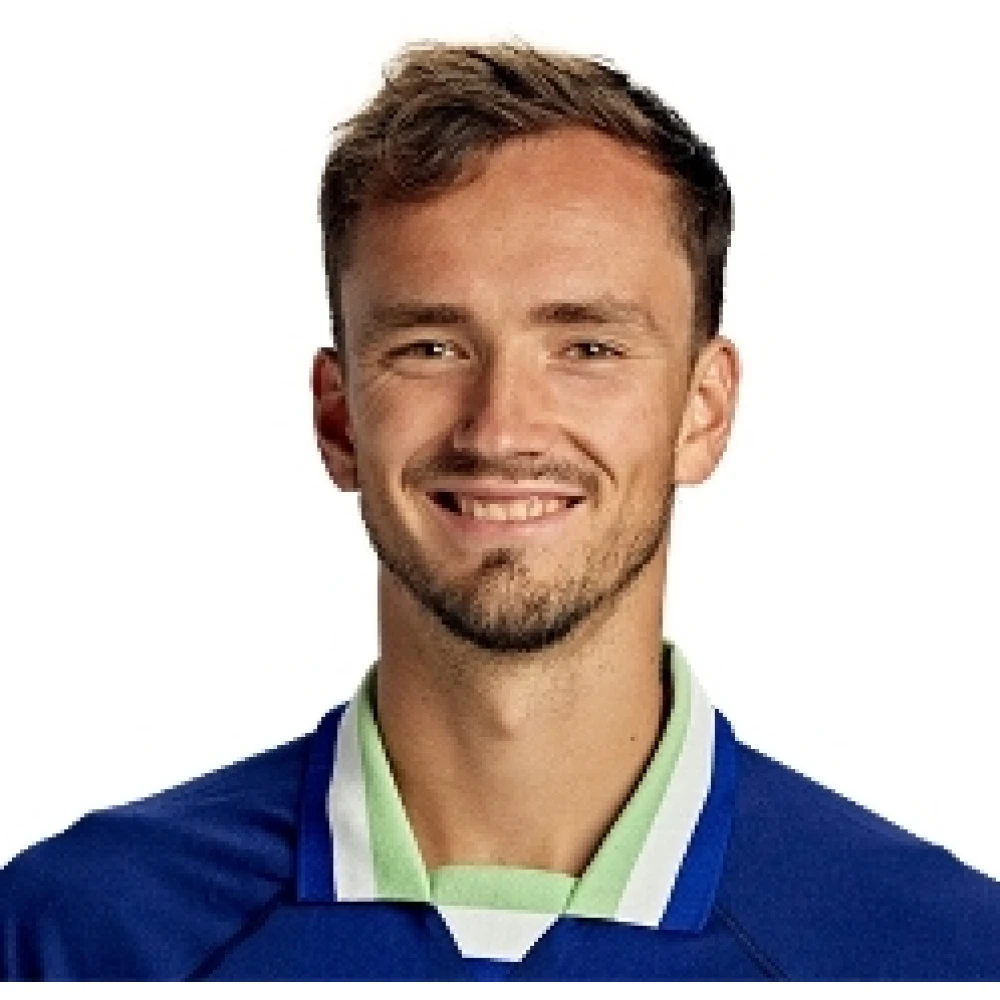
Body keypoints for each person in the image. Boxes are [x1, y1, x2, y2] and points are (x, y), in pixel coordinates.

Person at [2, 40, 998, 983]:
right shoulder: (75, 936)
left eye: (588, 348)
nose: (500, 428)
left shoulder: (940, 951)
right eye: (430, 348)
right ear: (338, 418)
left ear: (704, 410)